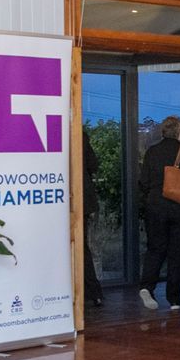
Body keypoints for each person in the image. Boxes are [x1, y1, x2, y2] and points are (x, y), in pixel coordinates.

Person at [136, 115, 180, 311]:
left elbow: (143, 182)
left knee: (155, 248)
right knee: (178, 253)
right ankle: (174, 299)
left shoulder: (152, 152)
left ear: (163, 132)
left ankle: (147, 286)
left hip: (155, 207)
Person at [82, 127, 104, 307]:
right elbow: (94, 165)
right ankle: (94, 293)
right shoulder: (81, 135)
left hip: (63, 199)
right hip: (83, 200)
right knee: (82, 247)